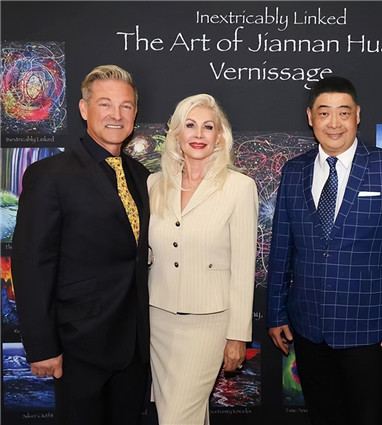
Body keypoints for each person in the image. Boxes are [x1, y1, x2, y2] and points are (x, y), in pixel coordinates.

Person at [267, 76, 382, 425]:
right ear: (311, 117)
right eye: (324, 113)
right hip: (308, 326)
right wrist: (275, 313)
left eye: (344, 113)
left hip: (369, 328)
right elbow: (281, 249)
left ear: (357, 116)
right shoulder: (294, 171)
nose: (334, 123)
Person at [12, 65, 150, 425]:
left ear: (135, 112)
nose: (116, 115)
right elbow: (31, 265)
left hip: (135, 346)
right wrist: (42, 347)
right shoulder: (50, 175)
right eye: (105, 104)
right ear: (84, 109)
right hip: (78, 346)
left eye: (126, 106)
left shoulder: (141, 176)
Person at [147, 94, 258, 424]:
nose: (198, 134)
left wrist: (237, 335)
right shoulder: (154, 184)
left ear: (220, 136)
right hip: (157, 318)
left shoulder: (239, 187)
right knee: (183, 414)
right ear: (176, 134)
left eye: (208, 127)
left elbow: (243, 267)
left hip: (207, 324)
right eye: (190, 125)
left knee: (177, 417)